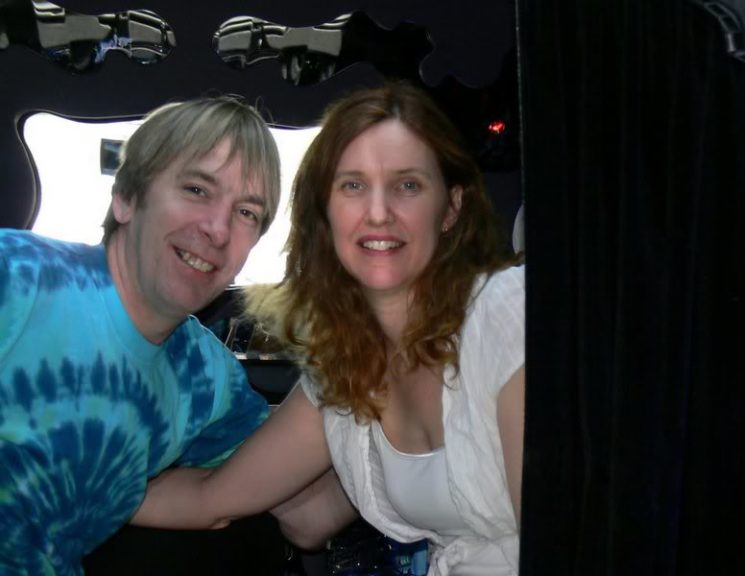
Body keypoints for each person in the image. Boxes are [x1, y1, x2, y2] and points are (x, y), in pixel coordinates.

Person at [133, 82, 525, 575]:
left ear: (450, 208)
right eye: (353, 185)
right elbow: (254, 508)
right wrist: (73, 490)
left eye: (407, 185)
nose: (378, 212)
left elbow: (567, 541)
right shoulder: (344, 369)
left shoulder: (504, 314)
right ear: (325, 213)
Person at [0, 95, 281, 575]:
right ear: (126, 198)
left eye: (247, 213)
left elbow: (300, 509)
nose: (218, 229)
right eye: (197, 189)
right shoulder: (18, 276)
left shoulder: (206, 376)